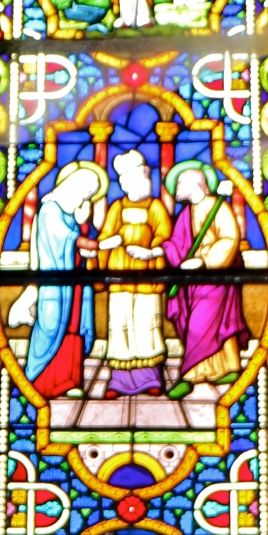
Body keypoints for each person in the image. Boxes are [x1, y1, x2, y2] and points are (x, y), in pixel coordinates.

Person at [9, 161, 108, 398]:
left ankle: (70, 380)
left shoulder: (74, 212)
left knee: (73, 327)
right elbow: (63, 238)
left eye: (90, 195)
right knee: (51, 324)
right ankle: (40, 379)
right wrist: (83, 240)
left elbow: (82, 237)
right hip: (54, 283)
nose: (85, 197)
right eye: (84, 192)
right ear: (71, 186)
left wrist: (84, 223)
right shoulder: (50, 209)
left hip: (74, 282)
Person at [162, 160, 249, 400]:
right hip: (192, 280)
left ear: (195, 183)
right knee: (206, 322)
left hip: (214, 275)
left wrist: (204, 261)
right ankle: (225, 367)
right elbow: (176, 245)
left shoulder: (217, 207)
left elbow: (229, 238)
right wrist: (158, 251)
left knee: (199, 324)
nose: (176, 187)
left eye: (180, 182)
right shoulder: (186, 214)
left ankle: (189, 376)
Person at [97, 149, 172, 397]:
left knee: (145, 327)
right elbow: (105, 237)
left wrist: (151, 253)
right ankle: (118, 381)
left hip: (146, 278)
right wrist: (108, 244)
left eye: (145, 176)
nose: (145, 181)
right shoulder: (117, 207)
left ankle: (151, 378)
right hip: (120, 278)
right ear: (125, 181)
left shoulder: (156, 207)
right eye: (138, 177)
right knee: (120, 327)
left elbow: (165, 237)